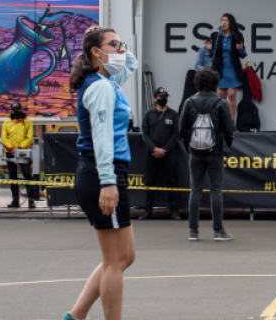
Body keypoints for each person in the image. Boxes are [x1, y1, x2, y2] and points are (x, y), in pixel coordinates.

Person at [64, 26, 138, 320]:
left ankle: (75, 316)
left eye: (121, 44)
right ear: (96, 52)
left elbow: (129, 63)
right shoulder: (102, 87)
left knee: (124, 257)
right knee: (115, 262)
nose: (121, 50)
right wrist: (109, 182)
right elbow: (102, 139)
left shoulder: (108, 80)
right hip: (102, 175)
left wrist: (118, 43)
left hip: (103, 173)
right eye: (114, 45)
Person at [179, 68, 235, 241]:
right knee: (215, 191)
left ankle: (193, 231)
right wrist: (225, 147)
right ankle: (218, 231)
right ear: (215, 83)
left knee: (195, 190)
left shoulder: (189, 102)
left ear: (197, 83)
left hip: (195, 152)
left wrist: (190, 146)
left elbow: (181, 130)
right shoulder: (221, 102)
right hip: (215, 152)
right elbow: (229, 130)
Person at [139, 87, 181, 220]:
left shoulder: (173, 114)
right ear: (154, 99)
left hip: (169, 154)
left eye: (165, 96)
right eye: (161, 96)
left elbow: (176, 135)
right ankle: (147, 211)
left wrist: (165, 150)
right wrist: (154, 149)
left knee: (171, 182)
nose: (164, 98)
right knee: (150, 181)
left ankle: (174, 211)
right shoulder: (148, 115)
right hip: (152, 154)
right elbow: (144, 135)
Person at [211, 13, 247, 122]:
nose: (224, 22)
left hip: (232, 67)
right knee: (220, 96)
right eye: (222, 20)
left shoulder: (238, 35)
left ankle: (231, 122)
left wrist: (240, 49)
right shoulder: (216, 35)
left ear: (231, 22)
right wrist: (210, 49)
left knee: (231, 95)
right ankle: (221, 122)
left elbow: (243, 54)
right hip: (220, 68)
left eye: (226, 20)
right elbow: (214, 54)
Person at [1, 102, 36, 209]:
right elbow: (4, 138)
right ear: (12, 111)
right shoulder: (6, 122)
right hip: (10, 152)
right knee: (12, 176)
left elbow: (29, 137)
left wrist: (19, 149)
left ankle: (31, 200)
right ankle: (15, 200)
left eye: (18, 110)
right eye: (14, 110)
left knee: (27, 174)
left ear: (21, 109)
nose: (16, 112)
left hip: (23, 151)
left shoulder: (28, 122)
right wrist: (11, 149)